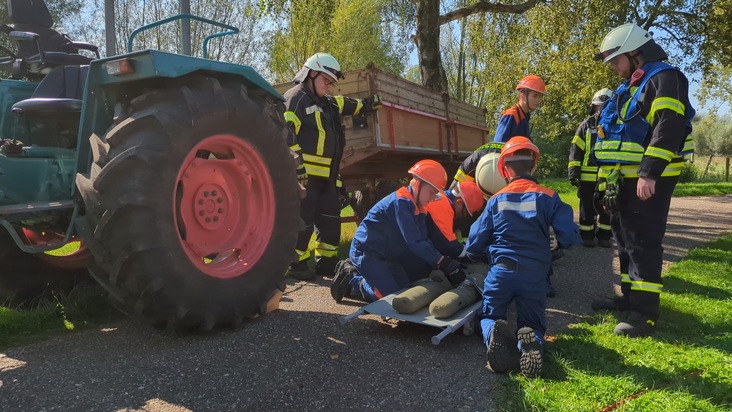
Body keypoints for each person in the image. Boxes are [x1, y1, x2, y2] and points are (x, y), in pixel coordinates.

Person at [591, 24, 695, 337]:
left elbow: (669, 126)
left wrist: (649, 172)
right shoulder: (632, 85)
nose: (612, 67)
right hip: (623, 180)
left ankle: (645, 313)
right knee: (623, 241)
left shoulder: (664, 78)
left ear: (633, 53)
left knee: (643, 244)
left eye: (614, 60)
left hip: (647, 180)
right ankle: (630, 300)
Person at [464, 136, 580, 378]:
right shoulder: (549, 196)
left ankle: (494, 335)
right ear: (534, 166)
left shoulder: (495, 200)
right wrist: (559, 245)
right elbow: (569, 236)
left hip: (501, 273)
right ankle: (529, 343)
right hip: (534, 275)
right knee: (533, 323)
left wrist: (474, 254)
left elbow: (474, 243)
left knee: (490, 315)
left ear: (504, 169)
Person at [283, 52, 382, 280]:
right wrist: (298, 170)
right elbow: (285, 136)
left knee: (330, 223)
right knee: (302, 222)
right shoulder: (295, 98)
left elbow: (346, 104)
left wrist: (367, 105)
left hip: (327, 178)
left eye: (331, 83)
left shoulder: (326, 103)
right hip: (304, 177)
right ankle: (295, 265)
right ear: (312, 73)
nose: (328, 87)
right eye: (326, 81)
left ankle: (326, 264)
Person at [330, 160, 467, 303]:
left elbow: (424, 239)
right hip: (367, 252)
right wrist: (443, 262)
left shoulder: (419, 206)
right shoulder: (401, 203)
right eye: (432, 192)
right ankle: (351, 279)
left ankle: (365, 275)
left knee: (404, 289)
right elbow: (415, 242)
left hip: (386, 254)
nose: (433, 198)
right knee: (389, 296)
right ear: (419, 184)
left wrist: (443, 261)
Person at [568, 88, 613, 248]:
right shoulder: (586, 126)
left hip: (608, 176)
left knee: (608, 206)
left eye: (605, 106)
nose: (601, 109)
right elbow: (576, 150)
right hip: (587, 177)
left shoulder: (616, 125)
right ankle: (586, 235)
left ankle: (605, 236)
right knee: (587, 208)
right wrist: (574, 171)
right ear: (594, 107)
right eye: (599, 106)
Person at [424, 181, 486, 257]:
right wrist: (471, 252)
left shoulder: (441, 196)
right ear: (459, 203)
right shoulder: (444, 207)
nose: (461, 217)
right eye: (464, 213)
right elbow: (448, 245)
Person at [493, 75, 546, 143]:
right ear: (523, 96)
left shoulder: (525, 116)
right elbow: (498, 145)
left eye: (539, 97)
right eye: (535, 96)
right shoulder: (511, 115)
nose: (538, 100)